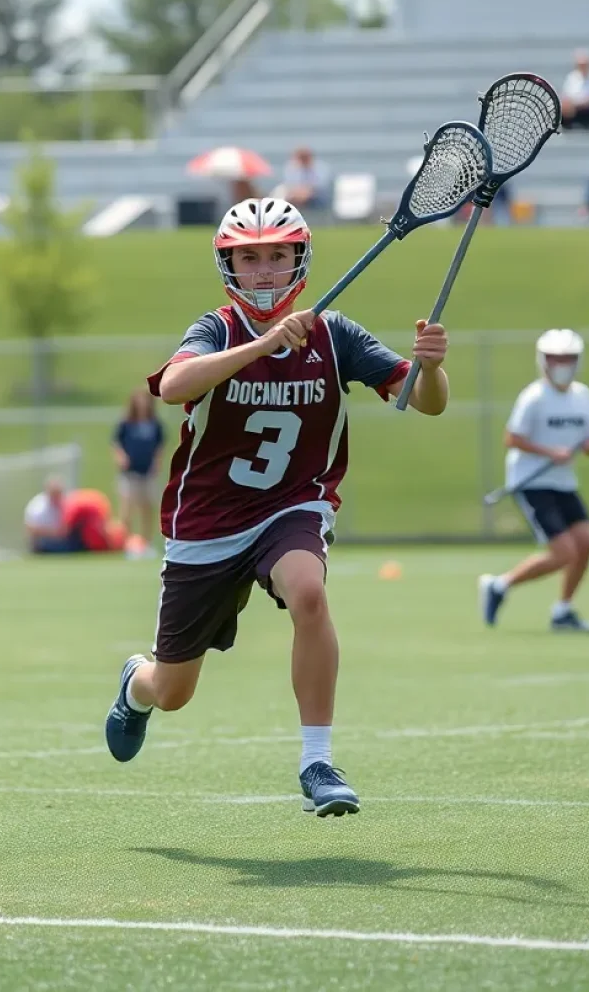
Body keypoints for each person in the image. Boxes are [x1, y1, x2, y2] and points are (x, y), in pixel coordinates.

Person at [103, 197, 449, 817]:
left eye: (276, 256)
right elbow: (175, 385)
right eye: (250, 257)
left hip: (292, 505)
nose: (264, 270)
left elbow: (426, 404)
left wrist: (432, 369)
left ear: (299, 261)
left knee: (308, 592)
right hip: (206, 524)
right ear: (229, 266)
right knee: (174, 690)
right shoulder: (216, 330)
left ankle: (316, 761)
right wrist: (258, 348)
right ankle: (137, 683)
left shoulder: (334, 334)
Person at [479, 329, 589, 633]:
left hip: (563, 482)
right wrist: (549, 452)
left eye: (568, 358)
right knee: (564, 552)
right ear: (543, 361)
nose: (562, 364)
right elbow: (512, 438)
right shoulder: (533, 397)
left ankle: (563, 610)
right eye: (555, 358)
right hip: (531, 482)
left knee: (586, 543)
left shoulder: (582, 396)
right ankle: (499, 585)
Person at [112, 387, 164, 549]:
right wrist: (121, 457)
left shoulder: (154, 424)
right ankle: (124, 542)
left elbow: (159, 445)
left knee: (147, 507)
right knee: (127, 507)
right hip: (129, 473)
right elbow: (116, 442)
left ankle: (146, 542)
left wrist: (157, 462)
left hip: (147, 473)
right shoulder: (126, 423)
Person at [281, 147, 332, 211]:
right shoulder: (291, 167)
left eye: (304, 157)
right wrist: (299, 193)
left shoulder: (321, 167)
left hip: (317, 197)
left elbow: (320, 186)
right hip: (297, 196)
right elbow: (290, 185)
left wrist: (306, 193)